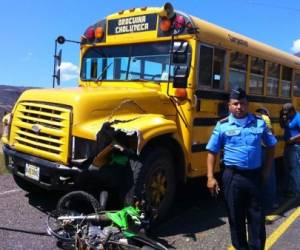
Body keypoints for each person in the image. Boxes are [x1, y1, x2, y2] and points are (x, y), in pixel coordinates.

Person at [206, 88, 277, 250]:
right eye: (235, 103)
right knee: (235, 218)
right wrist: (210, 177)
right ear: (229, 105)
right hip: (233, 178)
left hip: (254, 176)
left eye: (243, 103)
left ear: (248, 105)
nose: (239, 107)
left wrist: (266, 171)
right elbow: (212, 152)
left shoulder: (259, 122)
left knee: (257, 218)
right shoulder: (222, 125)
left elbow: (271, 146)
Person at [256, 107, 277, 211]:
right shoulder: (266, 118)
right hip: (267, 148)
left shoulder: (259, 118)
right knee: (269, 176)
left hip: (260, 149)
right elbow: (271, 133)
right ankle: (270, 202)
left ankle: (260, 201)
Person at [280, 103, 300, 197]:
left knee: (294, 168)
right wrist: (282, 117)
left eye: (287, 113)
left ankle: (296, 191)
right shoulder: (288, 117)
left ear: (292, 111)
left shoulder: (298, 117)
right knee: (287, 168)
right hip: (288, 146)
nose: (285, 115)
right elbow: (282, 126)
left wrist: (293, 139)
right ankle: (288, 189)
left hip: (295, 146)